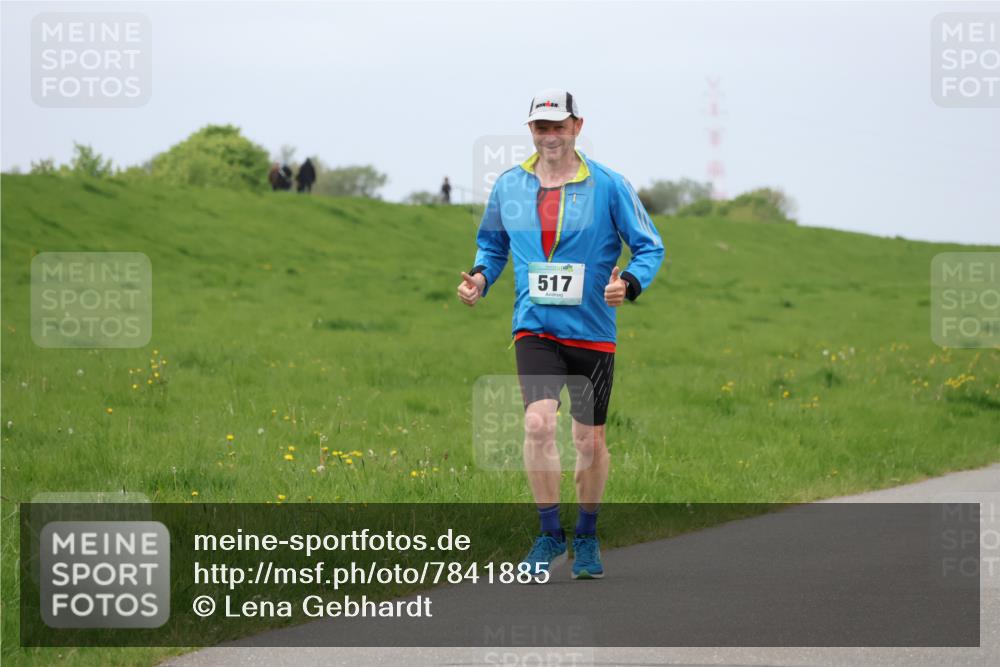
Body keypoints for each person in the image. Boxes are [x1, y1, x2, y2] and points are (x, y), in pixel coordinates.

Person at [457, 89, 664, 581]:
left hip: (592, 332)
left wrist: (629, 283)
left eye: (559, 126)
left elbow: (649, 247)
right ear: (530, 130)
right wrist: (480, 279)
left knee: (589, 442)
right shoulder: (510, 185)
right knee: (537, 425)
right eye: (541, 127)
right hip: (536, 327)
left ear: (577, 126)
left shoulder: (609, 185)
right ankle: (549, 534)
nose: (550, 135)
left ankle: (587, 536)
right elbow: (492, 246)